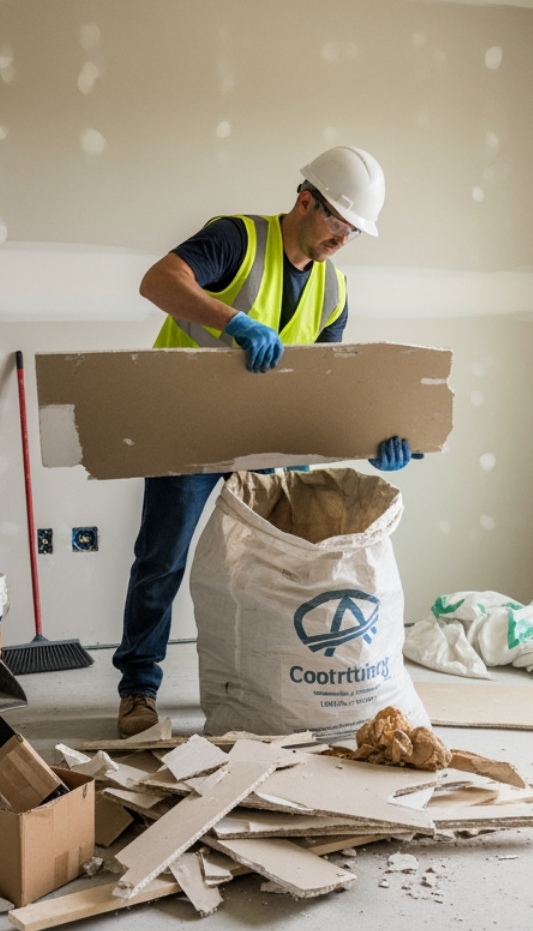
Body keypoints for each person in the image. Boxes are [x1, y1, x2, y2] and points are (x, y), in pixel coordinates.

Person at [114, 146, 416, 736]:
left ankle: (265, 681)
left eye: (354, 230)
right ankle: (139, 687)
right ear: (306, 200)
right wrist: (233, 321)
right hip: (188, 429)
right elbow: (159, 281)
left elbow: (323, 392)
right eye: (337, 222)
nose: (342, 240)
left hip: (270, 439)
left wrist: (370, 440)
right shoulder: (236, 239)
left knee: (285, 564)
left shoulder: (334, 289)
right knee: (162, 560)